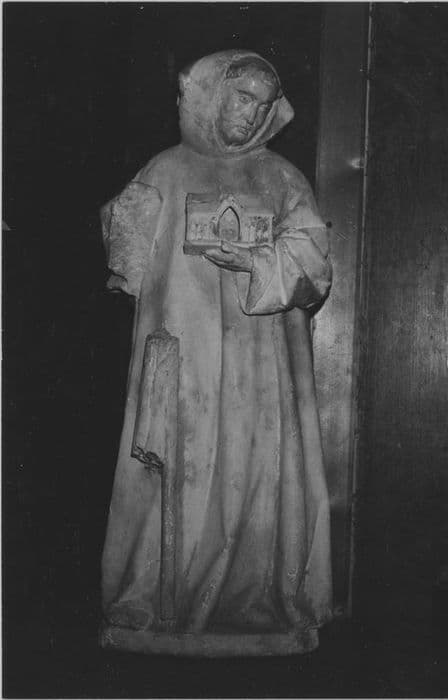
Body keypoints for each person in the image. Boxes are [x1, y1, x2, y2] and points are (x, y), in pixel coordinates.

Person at [100, 50, 333, 656]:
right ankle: (158, 603)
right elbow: (126, 263)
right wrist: (124, 224)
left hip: (259, 364)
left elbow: (314, 265)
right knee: (177, 471)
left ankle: (251, 602)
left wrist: (255, 261)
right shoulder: (165, 169)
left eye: (262, 104)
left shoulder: (282, 178)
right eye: (241, 97)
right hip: (185, 354)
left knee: (254, 474)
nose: (250, 113)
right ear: (212, 96)